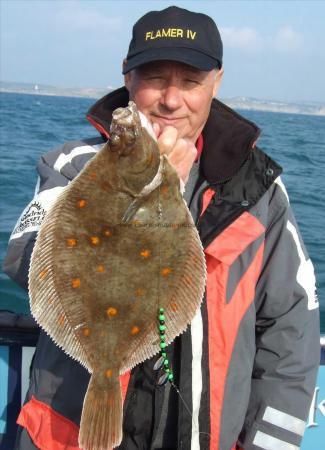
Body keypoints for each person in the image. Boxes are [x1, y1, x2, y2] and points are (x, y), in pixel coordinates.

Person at [3, 6, 320, 450]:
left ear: (217, 83)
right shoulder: (73, 166)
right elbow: (24, 258)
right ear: (127, 78)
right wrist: (139, 194)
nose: (171, 100)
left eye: (190, 82)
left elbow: (290, 326)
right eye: (155, 79)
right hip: (68, 434)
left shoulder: (260, 192)